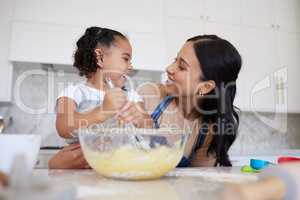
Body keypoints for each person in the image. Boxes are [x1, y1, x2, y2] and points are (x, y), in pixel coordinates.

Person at [49, 34, 242, 168]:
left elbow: (199, 185)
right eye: (175, 60)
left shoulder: (207, 131)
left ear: (206, 87)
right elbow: (111, 141)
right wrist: (56, 164)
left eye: (181, 67)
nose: (169, 68)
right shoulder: (150, 95)